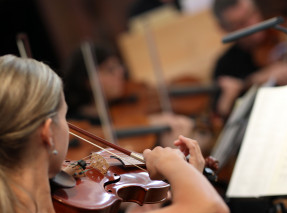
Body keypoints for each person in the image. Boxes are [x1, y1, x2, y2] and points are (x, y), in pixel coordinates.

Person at [0, 54, 229, 213]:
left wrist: (144, 206)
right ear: (48, 134)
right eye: (65, 118)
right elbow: (211, 210)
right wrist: (176, 167)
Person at [63, 43, 195, 148]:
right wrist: (148, 123)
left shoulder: (126, 105)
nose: (120, 72)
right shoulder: (75, 127)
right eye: (110, 69)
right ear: (87, 80)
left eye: (119, 66)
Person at [211, 0, 287, 119]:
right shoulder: (225, 66)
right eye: (241, 23)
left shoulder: (283, 29)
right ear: (224, 28)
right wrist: (256, 79)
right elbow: (221, 115)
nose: (253, 24)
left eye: (252, 14)